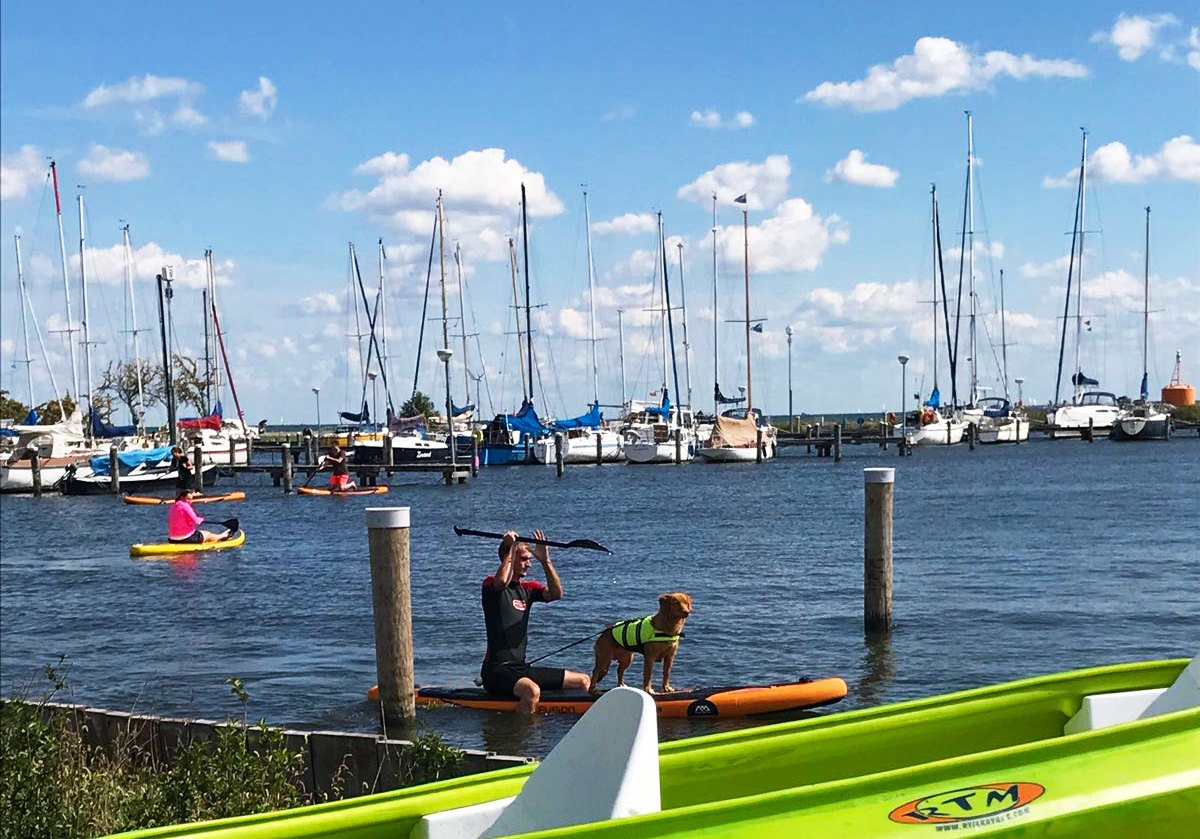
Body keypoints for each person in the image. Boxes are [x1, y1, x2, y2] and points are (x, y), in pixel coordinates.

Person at [480, 529, 590, 713]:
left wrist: (545, 561)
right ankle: (521, 730)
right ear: (510, 558)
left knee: (583, 681)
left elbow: (556, 594)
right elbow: (501, 582)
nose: (529, 564)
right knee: (531, 691)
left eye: (530, 560)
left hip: (521, 669)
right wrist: (510, 547)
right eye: (524, 559)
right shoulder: (490, 585)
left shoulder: (528, 589)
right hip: (496, 671)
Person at [167, 488, 235, 543]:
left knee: (201, 533)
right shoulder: (185, 505)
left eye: (191, 499)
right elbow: (195, 521)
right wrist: (201, 519)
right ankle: (224, 536)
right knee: (208, 534)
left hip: (172, 539)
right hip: (186, 539)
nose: (189, 501)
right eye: (188, 499)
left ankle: (220, 536)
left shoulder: (172, 506)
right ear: (182, 497)